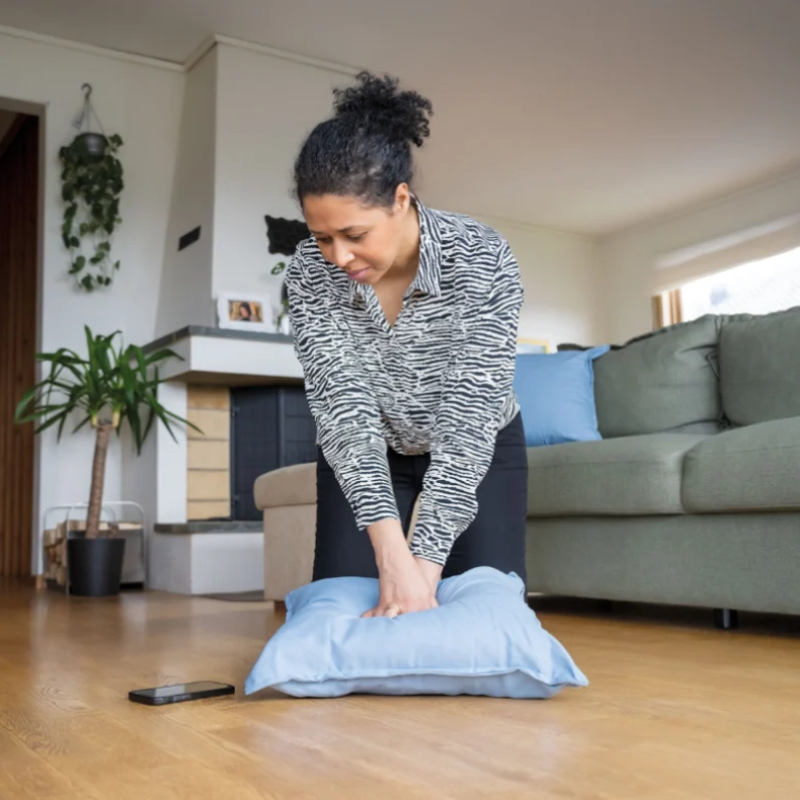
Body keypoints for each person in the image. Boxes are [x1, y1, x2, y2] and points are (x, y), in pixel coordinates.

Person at [287, 72, 528, 619]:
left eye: (354, 235)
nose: (337, 257)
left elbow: (469, 416)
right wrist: (392, 557)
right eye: (322, 237)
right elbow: (343, 408)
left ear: (401, 200)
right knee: (343, 611)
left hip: (477, 449)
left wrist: (424, 564)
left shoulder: (482, 257)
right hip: (368, 450)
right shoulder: (307, 273)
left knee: (483, 616)